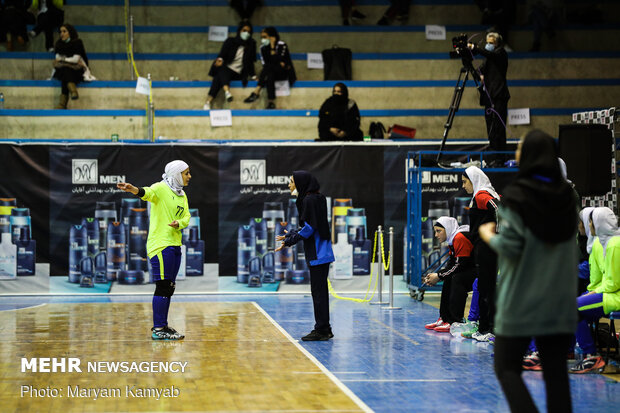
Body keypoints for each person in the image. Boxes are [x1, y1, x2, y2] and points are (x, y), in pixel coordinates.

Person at [479, 129, 578, 413]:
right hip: (559, 301)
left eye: (520, 147)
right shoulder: (568, 198)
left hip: (521, 300)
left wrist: (488, 234)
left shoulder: (516, 197)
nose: (516, 152)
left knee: (506, 367)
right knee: (556, 375)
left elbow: (510, 247)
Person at [116, 160, 192, 341]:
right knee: (163, 286)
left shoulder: (182, 195)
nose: (189, 176)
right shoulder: (160, 188)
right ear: (176, 173)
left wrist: (179, 223)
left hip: (175, 244)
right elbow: (146, 193)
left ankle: (163, 325)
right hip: (160, 245)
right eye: (186, 173)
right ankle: (158, 328)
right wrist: (133, 189)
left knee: (170, 287)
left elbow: (187, 216)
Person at [275, 171, 335, 341]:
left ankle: (322, 329)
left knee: (319, 293)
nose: (289, 185)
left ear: (300, 183)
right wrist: (291, 235)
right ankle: (324, 328)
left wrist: (289, 241)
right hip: (322, 252)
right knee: (319, 292)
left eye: (292, 181)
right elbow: (310, 225)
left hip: (318, 253)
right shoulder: (317, 198)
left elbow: (309, 229)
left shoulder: (309, 200)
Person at [570, 207, 620, 374]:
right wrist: (594, 291)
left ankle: (591, 356)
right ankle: (586, 353)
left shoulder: (614, 244)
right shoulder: (606, 242)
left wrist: (594, 292)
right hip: (609, 293)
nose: (588, 223)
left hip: (614, 296)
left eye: (590, 220)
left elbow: (613, 283)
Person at [461, 166, 500, 342]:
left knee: (487, 288)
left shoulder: (481, 195)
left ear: (473, 180)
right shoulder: (481, 195)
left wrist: (496, 232)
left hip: (487, 248)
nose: (463, 186)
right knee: (485, 287)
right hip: (485, 247)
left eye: (464, 182)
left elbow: (499, 209)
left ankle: (488, 329)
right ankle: (486, 327)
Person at [423, 217, 476, 333]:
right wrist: (437, 275)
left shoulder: (459, 238)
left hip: (480, 271)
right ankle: (445, 318)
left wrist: (439, 276)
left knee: (457, 278)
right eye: (435, 231)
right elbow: (452, 264)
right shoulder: (453, 239)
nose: (436, 235)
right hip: (469, 268)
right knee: (449, 277)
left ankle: (455, 321)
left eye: (438, 231)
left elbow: (460, 265)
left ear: (447, 229)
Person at [468, 32, 510, 162]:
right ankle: (494, 156)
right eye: (487, 43)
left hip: (499, 96)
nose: (488, 45)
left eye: (491, 43)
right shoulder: (488, 59)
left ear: (497, 44)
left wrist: (474, 48)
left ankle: (500, 158)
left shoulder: (500, 53)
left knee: (498, 128)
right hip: (488, 97)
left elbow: (490, 54)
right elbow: (478, 72)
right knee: (491, 129)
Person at [204, 20, 256, 110]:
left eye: (248, 31)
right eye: (244, 30)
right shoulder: (230, 41)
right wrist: (220, 59)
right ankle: (225, 92)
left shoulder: (251, 45)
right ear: (239, 31)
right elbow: (222, 54)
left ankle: (209, 101)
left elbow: (250, 62)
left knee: (220, 74)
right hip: (227, 69)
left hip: (238, 73)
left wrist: (254, 76)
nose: (246, 33)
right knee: (220, 73)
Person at [243, 26, 296, 110]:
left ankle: (256, 91)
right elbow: (266, 63)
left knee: (269, 67)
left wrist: (272, 47)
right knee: (269, 74)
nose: (262, 39)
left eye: (265, 37)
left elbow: (282, 62)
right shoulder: (262, 48)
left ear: (272, 37)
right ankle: (271, 102)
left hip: (284, 72)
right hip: (271, 72)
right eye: (261, 37)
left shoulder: (282, 45)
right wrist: (276, 60)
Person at [52, 24, 88, 109]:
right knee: (65, 70)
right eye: (60, 32)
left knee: (66, 71)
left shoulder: (77, 42)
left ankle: (62, 103)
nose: (62, 34)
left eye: (64, 31)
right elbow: (57, 58)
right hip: (64, 68)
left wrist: (63, 59)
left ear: (70, 32)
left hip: (77, 69)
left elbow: (75, 60)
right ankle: (72, 91)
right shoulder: (59, 43)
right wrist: (67, 60)